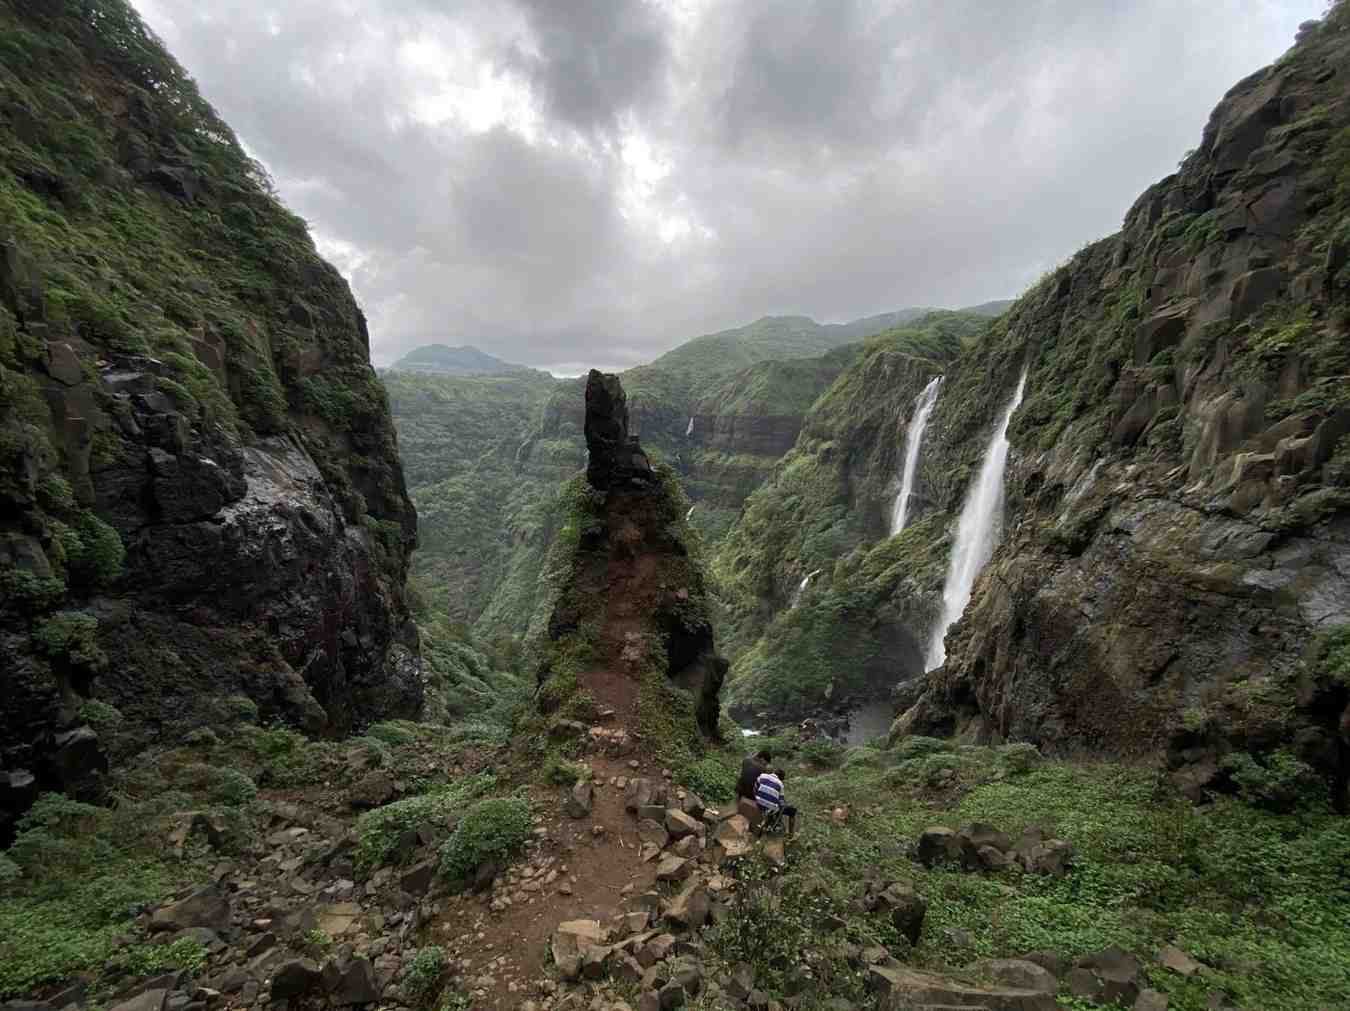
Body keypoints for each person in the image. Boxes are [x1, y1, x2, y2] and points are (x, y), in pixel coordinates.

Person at [753, 766, 798, 837]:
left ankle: (767, 823)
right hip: (770, 808)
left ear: (773, 772)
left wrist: (757, 797)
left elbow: (755, 787)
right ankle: (790, 835)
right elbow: (781, 802)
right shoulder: (780, 784)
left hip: (758, 802)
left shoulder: (762, 776)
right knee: (792, 811)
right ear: (781, 778)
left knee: (774, 807)